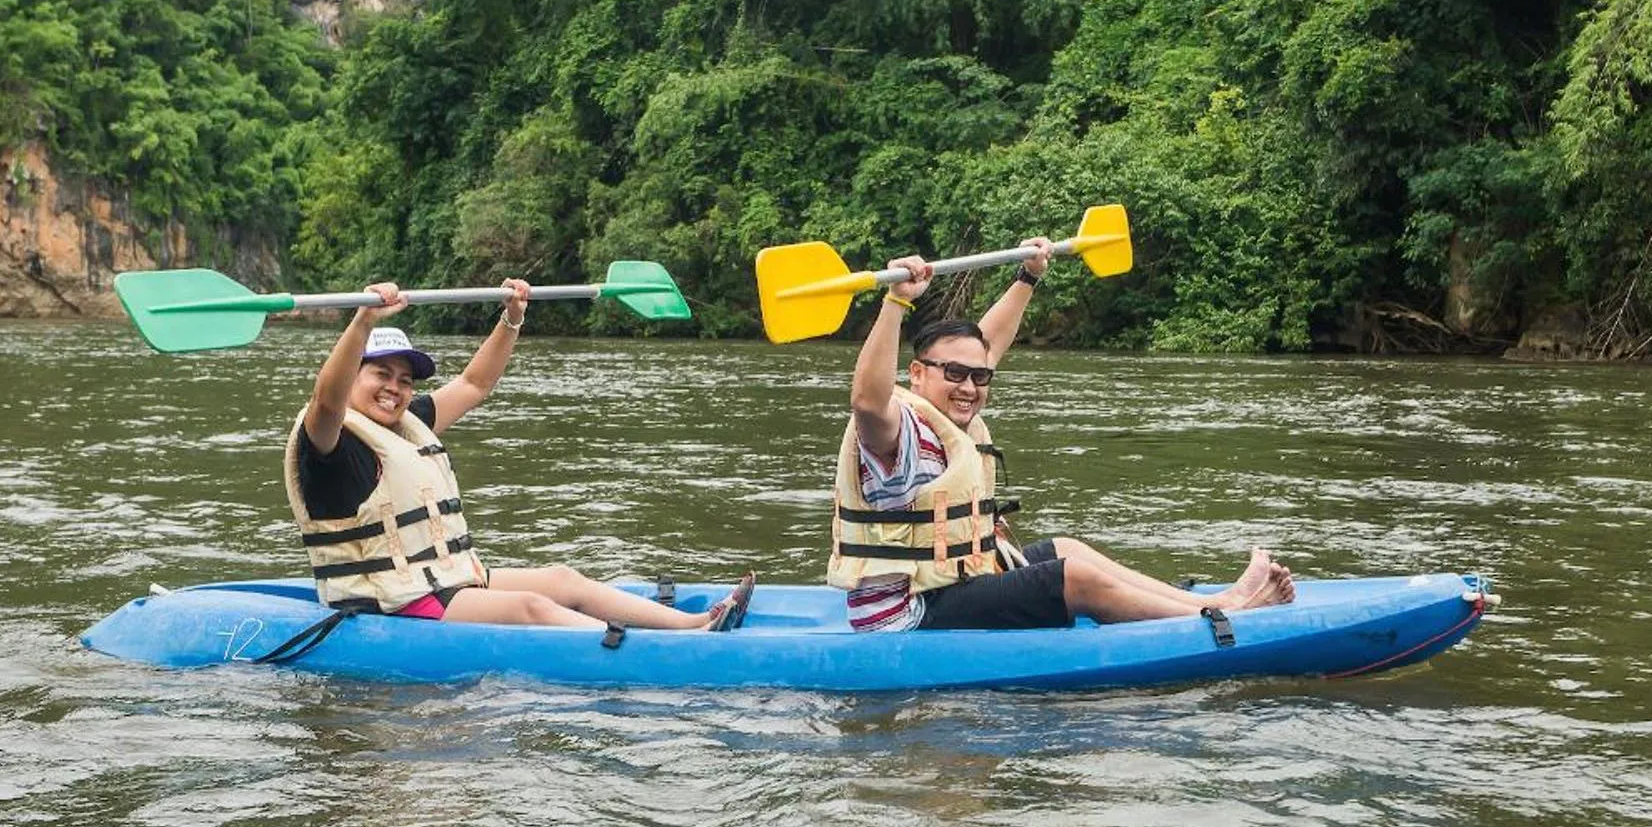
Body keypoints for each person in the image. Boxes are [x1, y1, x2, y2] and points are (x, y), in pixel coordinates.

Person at [828, 240, 1295, 633]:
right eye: (954, 373)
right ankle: (1225, 616)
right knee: (1071, 578)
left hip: (953, 583)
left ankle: (1221, 599)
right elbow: (867, 401)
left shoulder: (951, 411)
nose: (969, 386)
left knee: (1065, 549)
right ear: (916, 374)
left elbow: (984, 348)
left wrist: (1027, 278)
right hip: (905, 613)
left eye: (979, 377)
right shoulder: (899, 431)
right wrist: (896, 302)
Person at [287, 280, 751, 631]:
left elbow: (473, 384)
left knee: (563, 579)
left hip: (441, 579)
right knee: (531, 608)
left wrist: (513, 316)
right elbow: (327, 399)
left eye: (405, 380)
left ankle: (690, 626)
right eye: (381, 374)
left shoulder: (409, 423)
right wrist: (363, 320)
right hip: (390, 600)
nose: (394, 388)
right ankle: (662, 652)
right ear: (352, 376)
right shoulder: (328, 440)